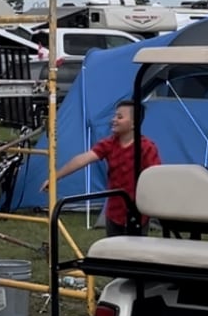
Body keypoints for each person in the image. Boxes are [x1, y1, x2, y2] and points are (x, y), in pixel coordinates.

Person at [42, 99, 162, 236]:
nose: (114, 120)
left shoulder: (146, 147)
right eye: (114, 116)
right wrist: (55, 177)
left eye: (120, 117)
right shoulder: (109, 144)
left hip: (137, 212)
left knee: (135, 253)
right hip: (114, 212)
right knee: (113, 251)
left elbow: (156, 176)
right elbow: (82, 160)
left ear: (134, 123)